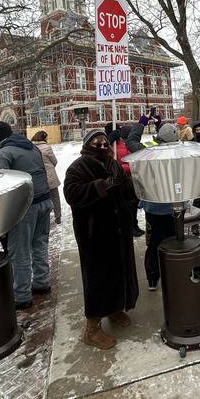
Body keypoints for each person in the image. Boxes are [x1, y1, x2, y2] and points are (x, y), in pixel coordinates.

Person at [64, 130, 139, 350]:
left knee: (118, 271)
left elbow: (123, 188)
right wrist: (102, 186)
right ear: (88, 144)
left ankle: (115, 307)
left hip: (117, 230)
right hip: (94, 233)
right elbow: (72, 194)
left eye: (105, 142)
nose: (103, 145)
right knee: (97, 278)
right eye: (98, 142)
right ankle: (92, 328)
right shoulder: (78, 167)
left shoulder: (113, 163)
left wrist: (129, 185)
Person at [0, 121, 53, 310]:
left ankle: (22, 295)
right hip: (44, 200)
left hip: (24, 208)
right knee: (39, 244)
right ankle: (41, 282)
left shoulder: (3, 154)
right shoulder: (31, 147)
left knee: (20, 251)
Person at [128, 121, 183, 290]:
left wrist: (142, 123)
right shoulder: (179, 151)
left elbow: (131, 143)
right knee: (176, 241)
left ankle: (153, 277)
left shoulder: (149, 149)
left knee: (154, 244)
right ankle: (174, 274)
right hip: (176, 207)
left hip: (153, 207)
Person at [31, 131, 61, 224]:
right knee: (55, 197)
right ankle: (58, 216)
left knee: (42, 198)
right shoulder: (47, 147)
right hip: (50, 176)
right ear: (44, 138)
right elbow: (55, 161)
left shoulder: (31, 148)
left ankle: (43, 218)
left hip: (37, 178)